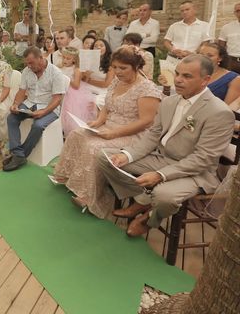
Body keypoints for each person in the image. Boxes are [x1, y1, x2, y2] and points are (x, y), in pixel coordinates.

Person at [99, 54, 235, 237]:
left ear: (206, 80)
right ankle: (144, 199)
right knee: (106, 157)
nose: (178, 80)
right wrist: (127, 155)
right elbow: (153, 135)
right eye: (177, 73)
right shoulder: (169, 101)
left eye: (187, 76)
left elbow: (203, 159)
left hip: (195, 171)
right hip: (161, 158)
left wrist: (160, 175)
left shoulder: (219, 112)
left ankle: (149, 219)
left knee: (165, 196)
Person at [54, 46, 162, 217]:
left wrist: (115, 133)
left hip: (133, 134)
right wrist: (98, 121)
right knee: (76, 134)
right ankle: (68, 176)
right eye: (115, 67)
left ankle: (90, 196)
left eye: (123, 68)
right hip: (108, 127)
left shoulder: (147, 89)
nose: (118, 72)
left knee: (93, 147)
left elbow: (146, 121)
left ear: (136, 66)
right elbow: (107, 105)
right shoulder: (117, 82)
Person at [3, 47, 69, 171]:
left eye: (31, 62)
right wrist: (16, 104)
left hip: (49, 107)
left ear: (41, 58)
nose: (29, 66)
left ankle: (19, 155)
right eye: (27, 63)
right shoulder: (26, 71)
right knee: (11, 118)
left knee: (38, 125)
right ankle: (18, 154)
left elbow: (57, 99)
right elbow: (22, 92)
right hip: (29, 104)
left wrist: (43, 112)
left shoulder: (56, 73)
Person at [160, 41, 240, 105]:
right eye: (201, 54)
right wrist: (167, 86)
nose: (204, 58)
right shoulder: (191, 74)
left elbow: (227, 110)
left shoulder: (234, 79)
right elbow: (178, 98)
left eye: (210, 55)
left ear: (220, 58)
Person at [58, 47, 94, 137]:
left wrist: (67, 79)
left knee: (68, 113)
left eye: (68, 58)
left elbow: (76, 86)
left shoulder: (76, 70)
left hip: (71, 93)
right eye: (64, 57)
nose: (65, 60)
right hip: (60, 90)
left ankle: (69, 133)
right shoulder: (60, 66)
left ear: (74, 59)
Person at [82, 38, 115, 108]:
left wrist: (89, 80)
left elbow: (106, 84)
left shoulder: (111, 64)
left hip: (102, 91)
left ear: (106, 48)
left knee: (94, 102)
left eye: (101, 45)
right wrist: (87, 75)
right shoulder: (87, 61)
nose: (98, 47)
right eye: (95, 46)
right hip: (87, 88)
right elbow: (83, 79)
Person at [218, 2, 240, 74]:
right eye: (237, 11)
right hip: (232, 62)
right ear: (235, 13)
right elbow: (221, 47)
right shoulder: (227, 27)